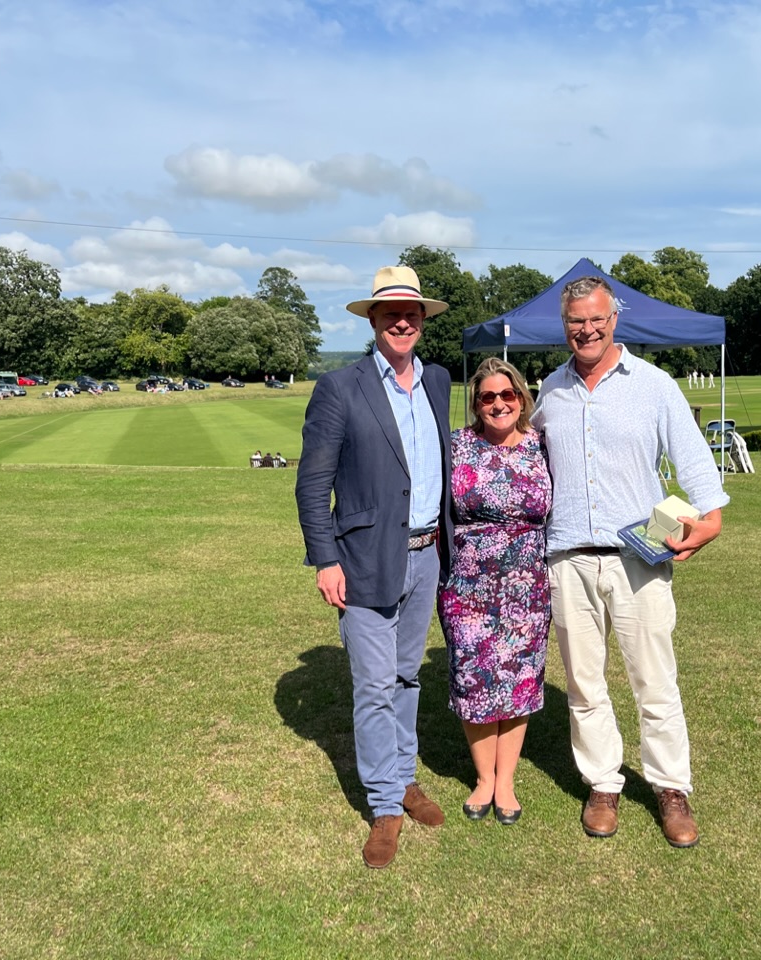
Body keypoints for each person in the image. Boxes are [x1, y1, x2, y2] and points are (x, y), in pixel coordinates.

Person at [531, 275, 728, 849]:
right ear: (563, 326)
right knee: (584, 686)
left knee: (655, 682)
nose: (586, 330)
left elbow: (694, 467)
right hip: (566, 560)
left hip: (637, 560)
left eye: (596, 319)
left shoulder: (654, 385)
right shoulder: (551, 390)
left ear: (614, 318)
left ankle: (670, 788)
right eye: (575, 322)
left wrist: (710, 520)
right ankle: (602, 783)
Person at [295, 266, 453, 868]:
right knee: (373, 686)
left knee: (408, 677)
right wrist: (325, 559)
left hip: (426, 556)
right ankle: (386, 805)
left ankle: (404, 776)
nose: (403, 320)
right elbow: (313, 485)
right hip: (362, 560)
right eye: (391, 313)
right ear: (373, 320)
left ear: (421, 319)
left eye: (411, 312)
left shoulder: (437, 380)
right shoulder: (341, 388)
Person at [439, 357, 552, 827]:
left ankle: (506, 780)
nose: (499, 403)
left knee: (519, 680)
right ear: (475, 403)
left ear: (522, 398)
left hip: (527, 586)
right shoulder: (457, 446)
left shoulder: (543, 446)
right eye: (488, 396)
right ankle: (484, 777)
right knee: (475, 678)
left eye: (507, 395)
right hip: (468, 585)